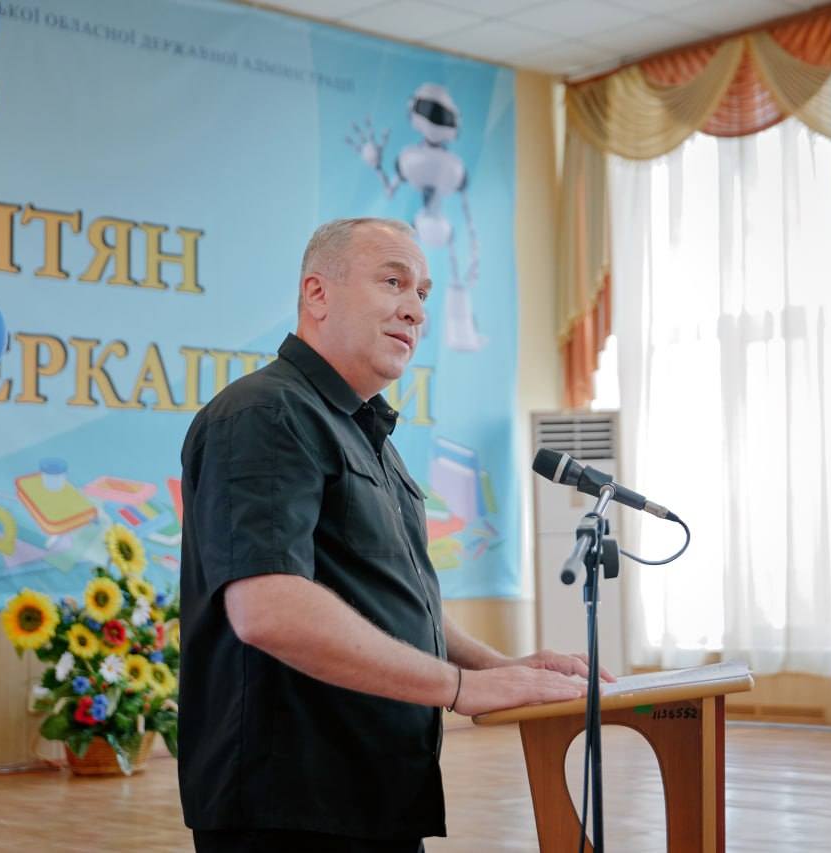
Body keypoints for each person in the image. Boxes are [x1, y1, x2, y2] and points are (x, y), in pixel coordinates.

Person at [178, 218, 608, 852]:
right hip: (291, 803)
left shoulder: (363, 430)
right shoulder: (266, 414)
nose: (416, 311)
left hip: (375, 789)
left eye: (424, 293)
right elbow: (269, 608)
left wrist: (497, 667)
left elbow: (392, 599)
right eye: (393, 282)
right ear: (317, 294)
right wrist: (462, 688)